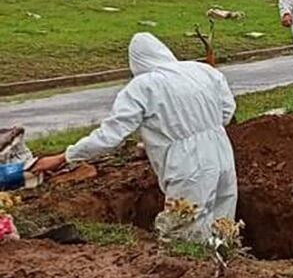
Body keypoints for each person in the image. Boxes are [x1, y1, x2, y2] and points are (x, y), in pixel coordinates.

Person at [31, 33, 237, 243]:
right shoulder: (203, 71)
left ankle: (192, 273)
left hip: (188, 163)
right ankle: (227, 268)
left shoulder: (144, 86)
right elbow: (227, 113)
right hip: (222, 152)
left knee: (183, 232)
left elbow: (109, 137)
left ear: (135, 63)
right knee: (223, 224)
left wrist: (65, 156)